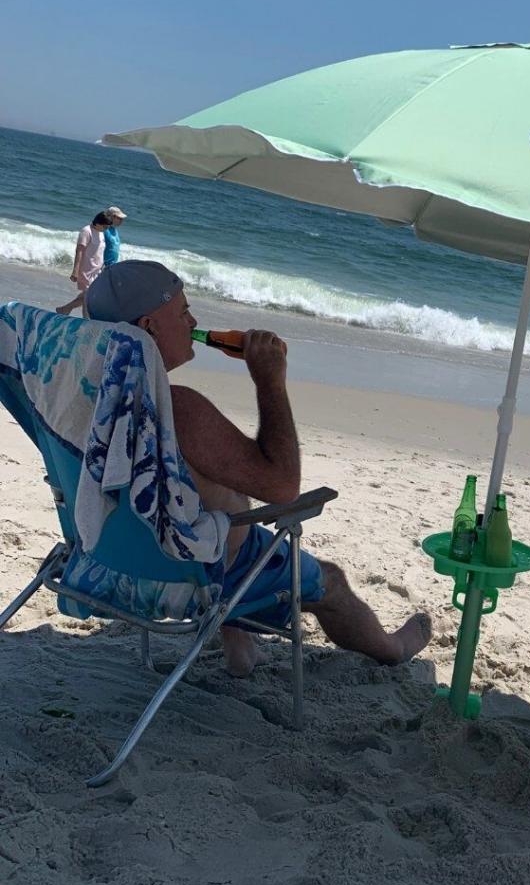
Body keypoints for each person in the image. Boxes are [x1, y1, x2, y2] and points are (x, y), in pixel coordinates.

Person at [85, 259, 432, 677]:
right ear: (150, 327)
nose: (193, 320)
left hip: (103, 559)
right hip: (191, 576)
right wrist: (269, 381)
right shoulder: (179, 409)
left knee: (209, 486)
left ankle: (239, 645)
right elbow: (283, 486)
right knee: (330, 581)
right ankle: (392, 649)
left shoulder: (81, 398)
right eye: (182, 312)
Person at [56, 211, 113, 315]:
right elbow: (79, 251)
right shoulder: (86, 231)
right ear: (98, 223)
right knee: (88, 296)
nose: (106, 229)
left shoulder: (101, 233)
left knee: (87, 295)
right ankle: (84, 318)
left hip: (97, 271)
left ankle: (65, 309)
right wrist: (75, 271)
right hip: (86, 270)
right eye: (105, 227)